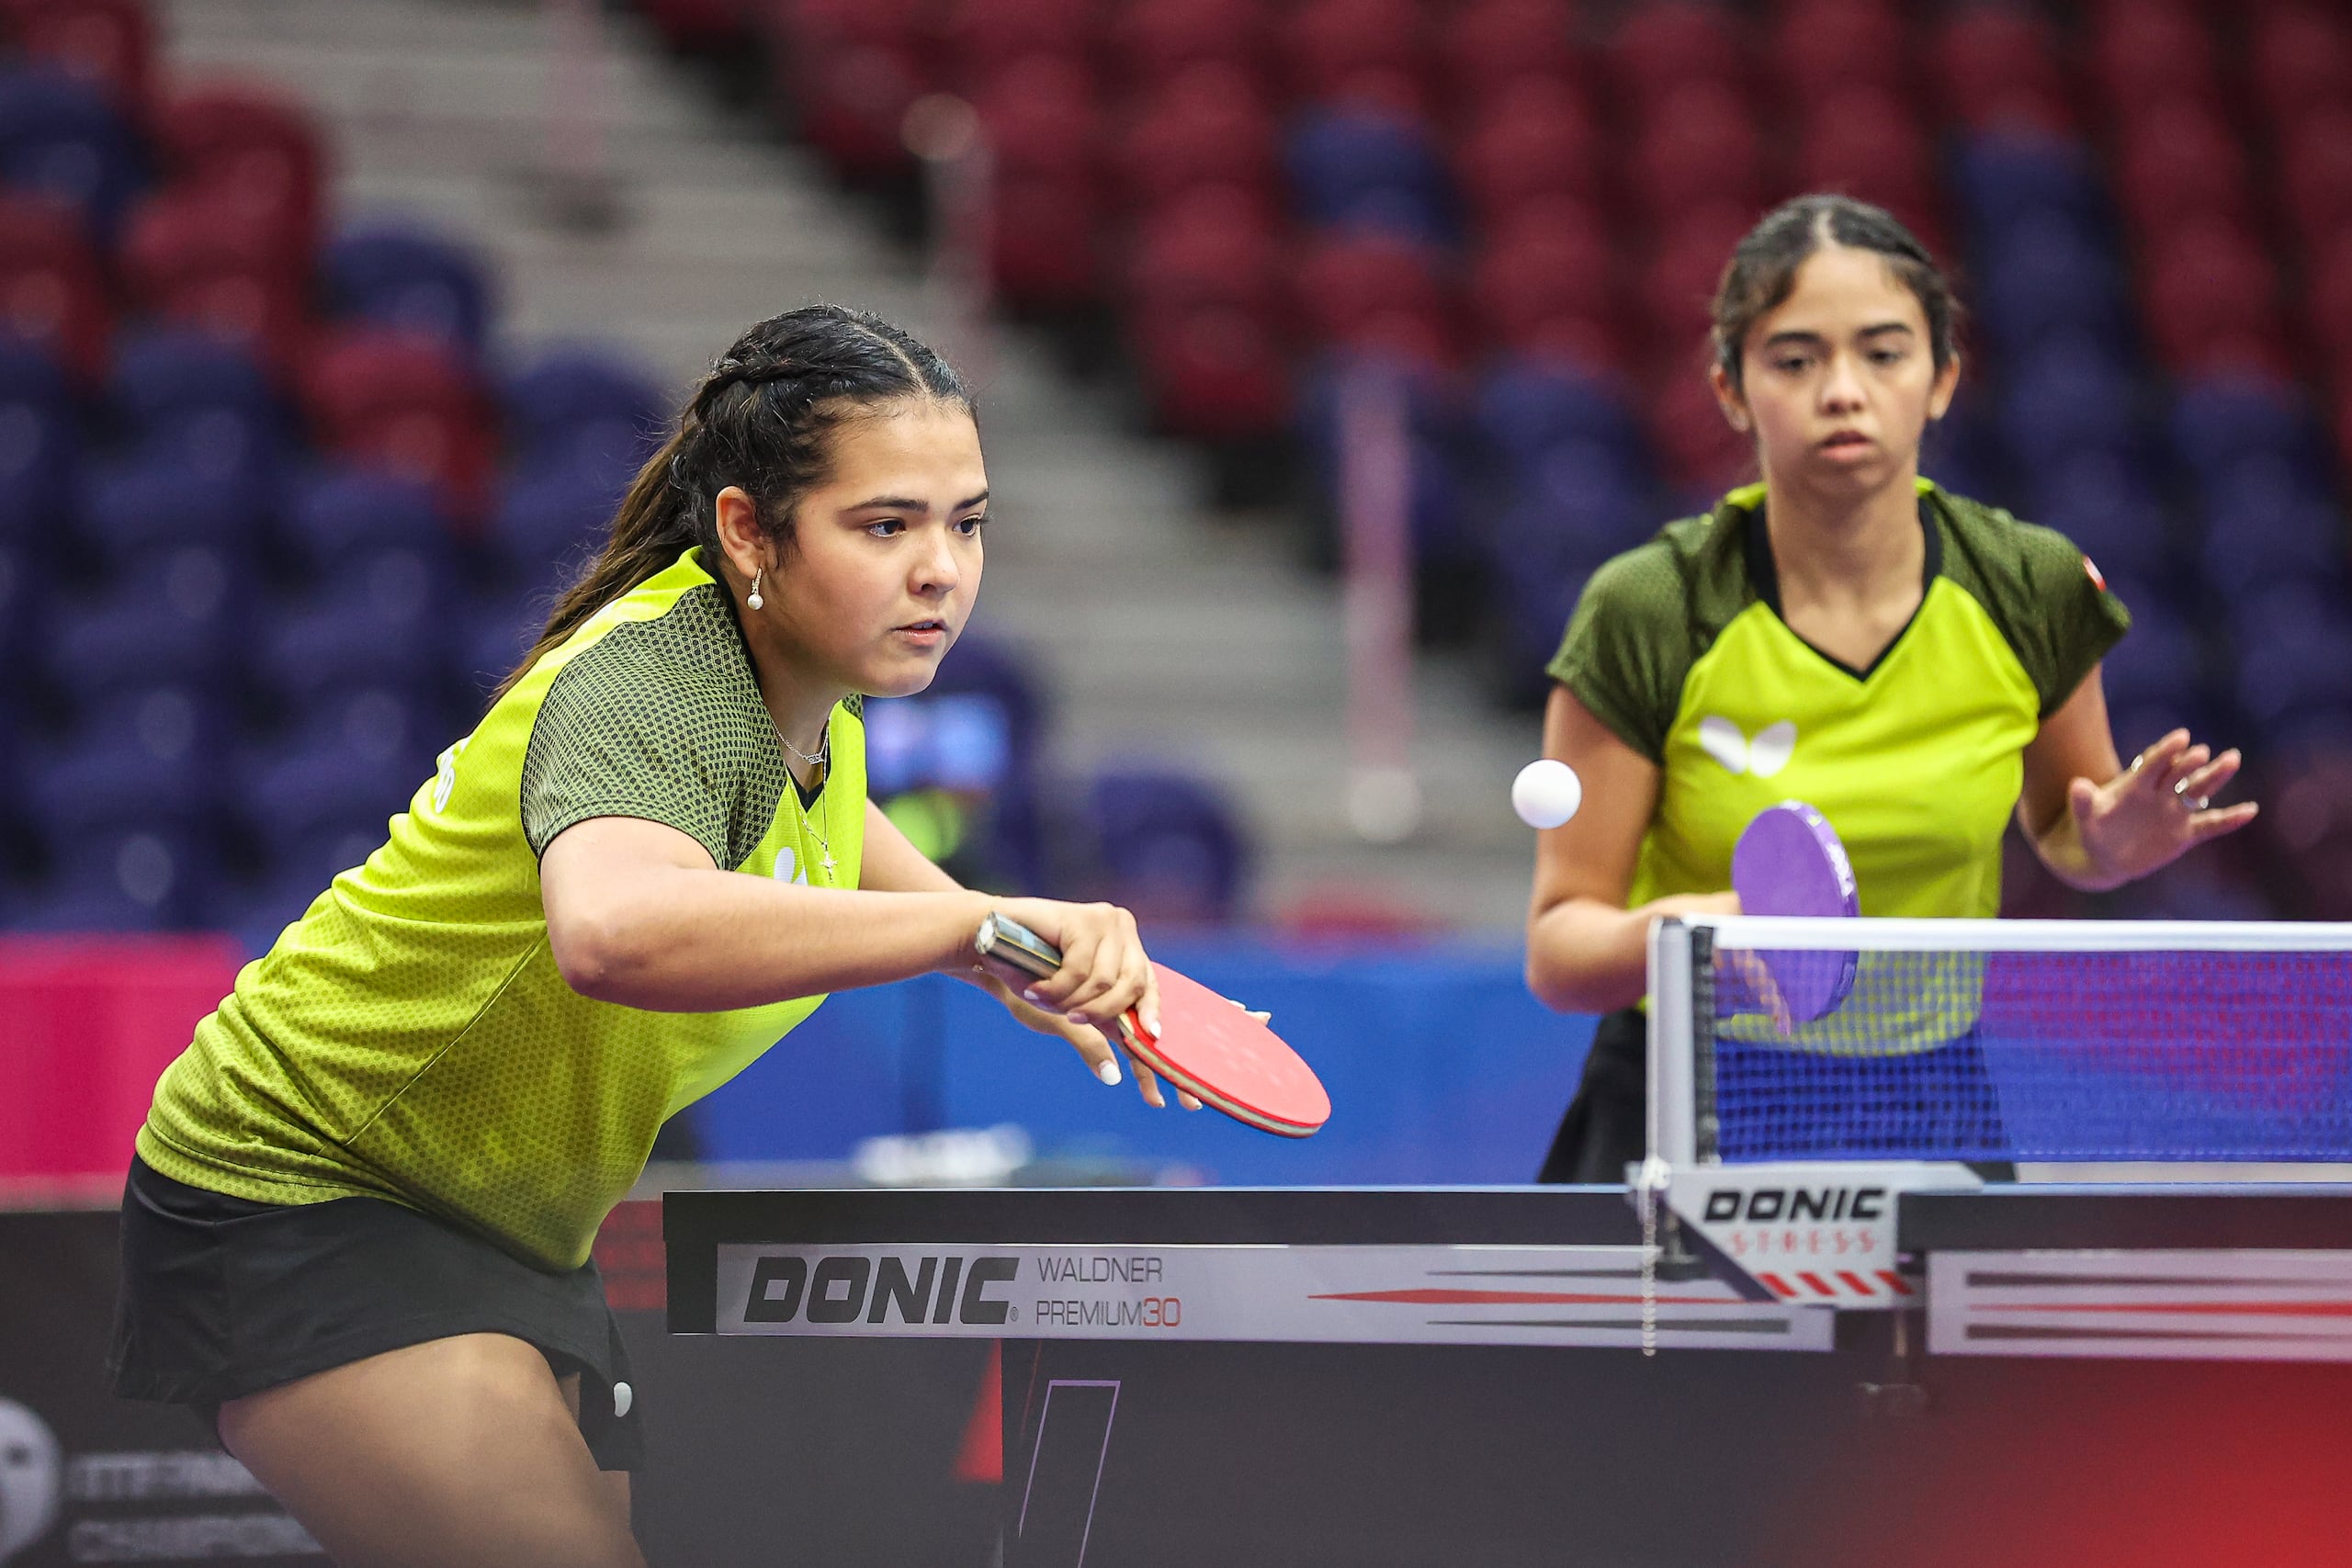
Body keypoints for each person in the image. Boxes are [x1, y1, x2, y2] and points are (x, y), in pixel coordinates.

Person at [108, 304, 1186, 1567]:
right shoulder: (654, 683)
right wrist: (972, 923)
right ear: (748, 529)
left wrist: (1012, 951)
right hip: (312, 1184)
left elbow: (875, 883)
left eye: (967, 521)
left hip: (508, 1218)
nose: (942, 567)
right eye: (886, 524)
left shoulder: (808, 711)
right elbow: (615, 929)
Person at [1525, 195, 2258, 1184]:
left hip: (1926, 1103)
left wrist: (2113, 847)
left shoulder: (2025, 584)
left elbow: (2067, 831)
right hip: (1683, 1099)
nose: (1842, 391)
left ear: (1942, 378)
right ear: (1730, 390)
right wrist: (1684, 935)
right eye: (1793, 359)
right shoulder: (1651, 606)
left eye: (1883, 353)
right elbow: (1559, 950)